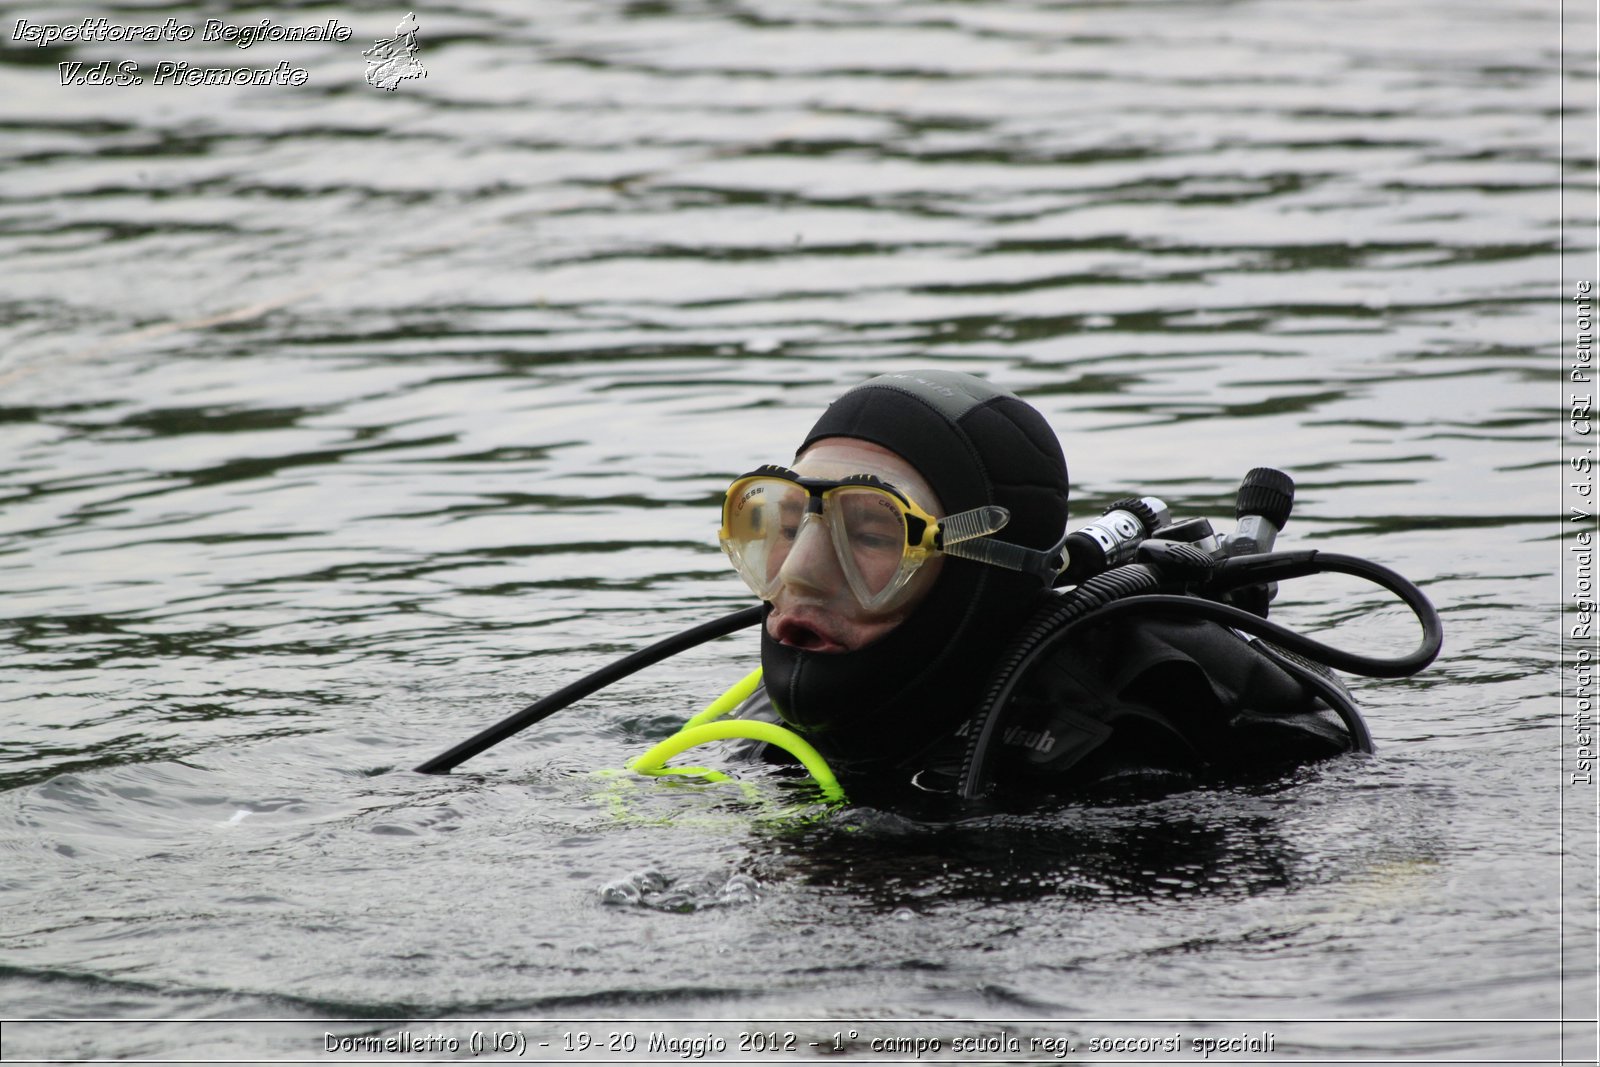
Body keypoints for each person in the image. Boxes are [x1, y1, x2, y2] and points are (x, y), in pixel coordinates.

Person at [708, 370, 1362, 806]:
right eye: (785, 523)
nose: (798, 572)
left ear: (978, 568)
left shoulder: (1126, 748)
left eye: (872, 535)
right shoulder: (761, 725)